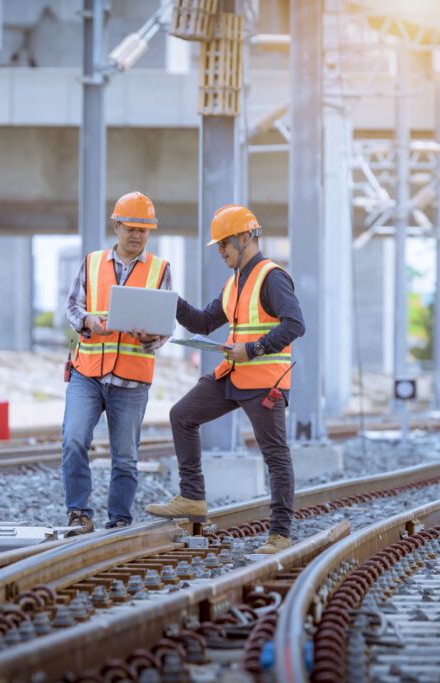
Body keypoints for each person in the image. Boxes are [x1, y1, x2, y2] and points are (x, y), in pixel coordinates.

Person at [145, 204, 305, 554]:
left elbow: (295, 324)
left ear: (245, 237)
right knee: (182, 415)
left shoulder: (271, 276)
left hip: (264, 380)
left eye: (224, 244)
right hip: (232, 375)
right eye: (218, 245)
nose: (219, 251)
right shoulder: (234, 282)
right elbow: (203, 323)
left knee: (275, 455)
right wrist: (169, 299)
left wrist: (255, 348)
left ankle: (280, 535)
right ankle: (192, 497)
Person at [62, 191, 172, 535]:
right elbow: (71, 307)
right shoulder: (92, 262)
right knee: (74, 439)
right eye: (130, 228)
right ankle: (78, 512)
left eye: (143, 229)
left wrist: (149, 338)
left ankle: (119, 520)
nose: (137, 235)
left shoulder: (160, 270)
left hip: (131, 379)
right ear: (117, 225)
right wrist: (87, 322)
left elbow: (165, 326)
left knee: (125, 457)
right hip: (88, 373)